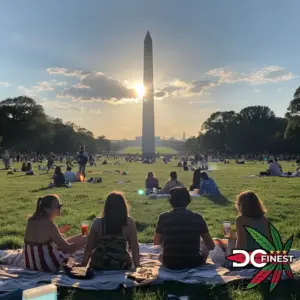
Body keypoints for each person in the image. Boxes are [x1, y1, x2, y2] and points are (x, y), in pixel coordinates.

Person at [24, 194, 88, 273]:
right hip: (47, 267)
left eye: (60, 205)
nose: (60, 207)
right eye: (58, 206)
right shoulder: (49, 224)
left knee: (64, 238)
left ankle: (85, 236)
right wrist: (85, 240)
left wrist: (81, 237)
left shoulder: (31, 221)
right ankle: (87, 237)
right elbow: (68, 249)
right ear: (47, 209)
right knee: (73, 248)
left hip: (30, 265)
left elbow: (40, 239)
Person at [153, 187, 215, 269]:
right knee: (204, 244)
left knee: (161, 256)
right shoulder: (197, 217)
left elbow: (156, 242)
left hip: (170, 263)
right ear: (188, 200)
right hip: (194, 263)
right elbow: (211, 245)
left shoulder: (163, 217)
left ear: (171, 201)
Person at [82, 192, 140, 270]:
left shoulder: (97, 223)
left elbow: (89, 247)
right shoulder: (129, 222)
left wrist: (83, 265)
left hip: (100, 263)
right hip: (121, 263)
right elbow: (134, 248)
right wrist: (138, 266)